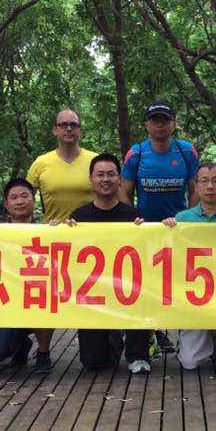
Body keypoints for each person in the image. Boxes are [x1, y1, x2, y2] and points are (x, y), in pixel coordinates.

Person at [121, 102, 199, 354]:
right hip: (147, 232)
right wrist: (133, 222)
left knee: (180, 282)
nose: (160, 125)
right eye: (155, 120)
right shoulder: (137, 153)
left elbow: (195, 189)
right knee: (149, 284)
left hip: (179, 231)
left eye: (165, 120)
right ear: (147, 124)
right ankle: (153, 333)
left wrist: (189, 220)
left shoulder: (186, 151)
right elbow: (125, 191)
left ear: (173, 123)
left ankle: (185, 334)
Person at [162, 162, 216, 371]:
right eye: (204, 181)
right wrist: (166, 229)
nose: (210, 186)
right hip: (195, 290)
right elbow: (172, 254)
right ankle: (202, 341)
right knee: (189, 362)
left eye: (215, 181)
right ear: (196, 186)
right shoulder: (183, 218)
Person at [69, 154, 152, 373]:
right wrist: (60, 230)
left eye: (111, 174)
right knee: (93, 363)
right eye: (100, 175)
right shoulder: (79, 216)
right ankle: (114, 338)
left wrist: (145, 230)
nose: (105, 179)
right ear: (91, 179)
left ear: (119, 179)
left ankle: (138, 355)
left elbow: (145, 253)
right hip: (93, 290)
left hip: (127, 287)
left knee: (141, 294)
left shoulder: (133, 215)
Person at [0, 178, 56, 374]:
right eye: (14, 198)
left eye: (24, 196)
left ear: (33, 199)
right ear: (6, 204)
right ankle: (21, 345)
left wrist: (65, 230)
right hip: (7, 301)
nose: (20, 201)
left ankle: (43, 352)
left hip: (37, 297)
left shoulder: (49, 230)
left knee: (46, 298)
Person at [26, 109, 97, 223]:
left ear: (80, 130)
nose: (69, 129)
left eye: (73, 125)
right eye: (63, 125)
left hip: (90, 232)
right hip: (53, 232)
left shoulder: (95, 161)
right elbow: (25, 201)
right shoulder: (40, 163)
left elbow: (112, 197)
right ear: (55, 130)